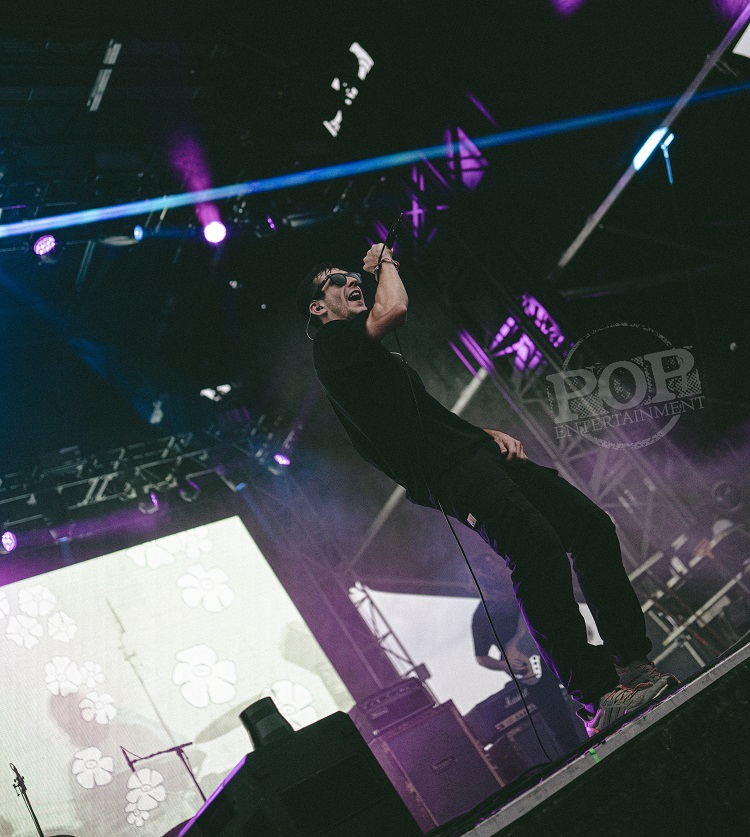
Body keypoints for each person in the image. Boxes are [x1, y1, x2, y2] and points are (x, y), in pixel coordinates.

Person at [296, 243, 678, 737]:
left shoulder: (366, 354)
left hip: (473, 454)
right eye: (337, 279)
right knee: (536, 551)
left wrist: (481, 435)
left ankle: (631, 663)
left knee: (589, 527)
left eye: (353, 274)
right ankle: (596, 695)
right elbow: (393, 309)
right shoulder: (331, 345)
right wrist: (385, 263)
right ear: (318, 307)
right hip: (451, 472)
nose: (351, 279)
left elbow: (423, 420)